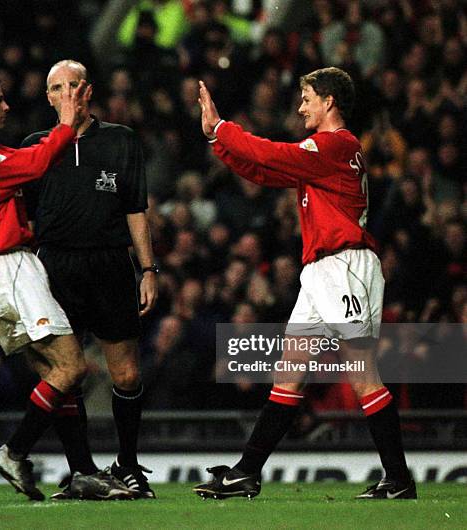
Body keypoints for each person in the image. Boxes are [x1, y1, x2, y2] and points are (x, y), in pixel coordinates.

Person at [193, 67, 415, 500]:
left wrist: (223, 127)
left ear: (328, 101)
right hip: (319, 272)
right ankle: (246, 472)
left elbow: (273, 155)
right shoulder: (321, 157)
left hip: (345, 266)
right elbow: (264, 171)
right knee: (289, 374)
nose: (300, 107)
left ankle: (399, 477)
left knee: (361, 372)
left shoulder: (338, 144)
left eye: (307, 98)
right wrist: (217, 141)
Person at [0, 71, 133, 501]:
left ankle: (83, 471)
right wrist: (66, 122)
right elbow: (33, 163)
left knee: (57, 377)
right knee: (72, 369)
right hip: (10, 268)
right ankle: (14, 451)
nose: (5, 106)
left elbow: (28, 162)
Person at [22, 59, 158, 499]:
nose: (68, 95)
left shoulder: (121, 140)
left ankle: (129, 466)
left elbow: (136, 209)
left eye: (74, 85)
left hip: (110, 265)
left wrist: (149, 269)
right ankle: (80, 470)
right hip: (54, 268)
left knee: (126, 373)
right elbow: (25, 219)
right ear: (48, 97)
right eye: (58, 87)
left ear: (89, 91)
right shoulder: (35, 146)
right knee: (66, 373)